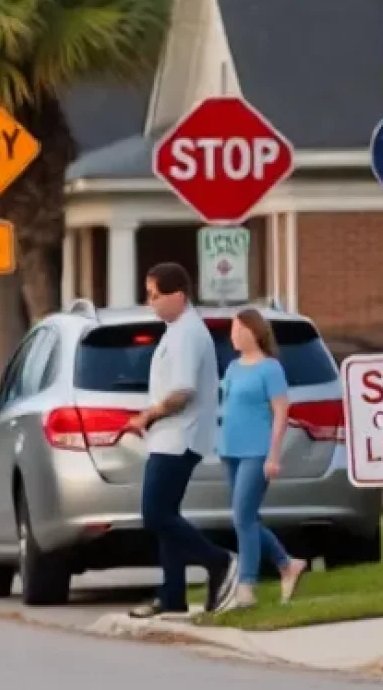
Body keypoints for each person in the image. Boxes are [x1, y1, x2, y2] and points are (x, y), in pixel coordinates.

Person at [125, 262, 239, 620]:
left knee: (155, 514)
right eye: (149, 296)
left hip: (180, 436)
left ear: (179, 295)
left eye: (156, 295)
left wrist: (147, 416)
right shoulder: (176, 330)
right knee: (167, 515)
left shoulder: (189, 333)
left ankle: (218, 561)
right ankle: (172, 596)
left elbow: (182, 393)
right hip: (167, 438)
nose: (152, 303)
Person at [216, 307, 308, 613]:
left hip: (257, 452)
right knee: (248, 518)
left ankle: (247, 587)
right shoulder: (232, 368)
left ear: (253, 332)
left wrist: (274, 454)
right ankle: (287, 564)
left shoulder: (270, 368)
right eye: (231, 329)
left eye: (237, 329)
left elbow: (282, 411)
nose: (233, 335)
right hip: (231, 450)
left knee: (242, 517)